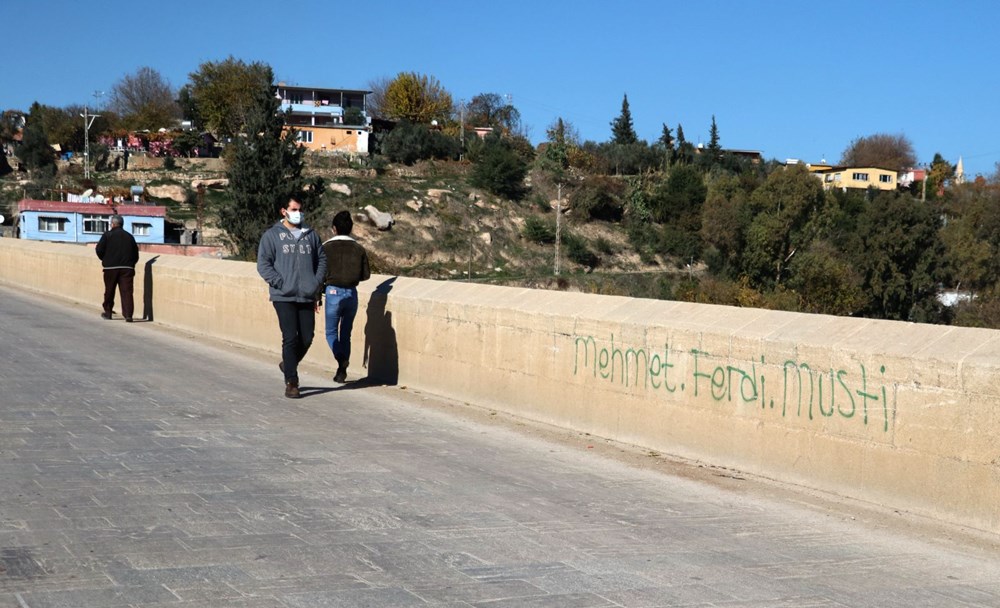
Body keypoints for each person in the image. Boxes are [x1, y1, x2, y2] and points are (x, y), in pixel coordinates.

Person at [257, 198, 327, 399]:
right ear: (283, 211)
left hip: (306, 294)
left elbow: (321, 259)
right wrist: (279, 282)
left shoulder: (311, 235)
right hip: (283, 295)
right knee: (290, 337)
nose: (298, 213)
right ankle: (292, 381)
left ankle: (287, 363)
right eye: (294, 209)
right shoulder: (272, 236)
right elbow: (263, 264)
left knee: (307, 337)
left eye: (300, 209)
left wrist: (316, 283)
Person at [322, 210, 370, 383]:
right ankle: (342, 371)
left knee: (330, 332)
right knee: (346, 333)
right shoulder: (359, 249)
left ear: (334, 228)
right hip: (351, 294)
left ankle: (341, 359)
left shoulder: (326, 247)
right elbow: (365, 275)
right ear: (350, 229)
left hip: (333, 292)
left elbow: (319, 273)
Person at [95, 215, 139, 322]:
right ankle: (128, 315)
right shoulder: (130, 237)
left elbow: (99, 250)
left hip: (110, 268)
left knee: (109, 290)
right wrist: (131, 264)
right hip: (127, 268)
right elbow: (135, 254)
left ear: (113, 224)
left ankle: (108, 312)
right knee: (127, 292)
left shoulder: (107, 235)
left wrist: (105, 260)